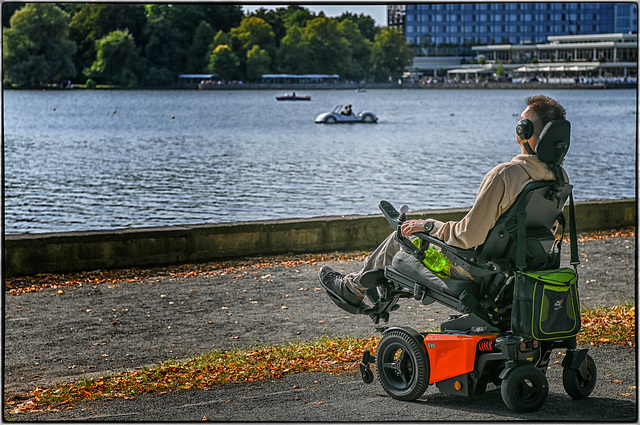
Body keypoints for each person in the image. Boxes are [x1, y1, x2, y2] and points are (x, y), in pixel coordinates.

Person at [318, 95, 568, 312]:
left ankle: (352, 288)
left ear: (523, 132)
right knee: (412, 232)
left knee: (403, 235)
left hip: (475, 269)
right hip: (517, 270)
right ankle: (372, 281)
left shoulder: (506, 175)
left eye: (520, 124)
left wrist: (428, 226)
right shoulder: (558, 179)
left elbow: (468, 237)